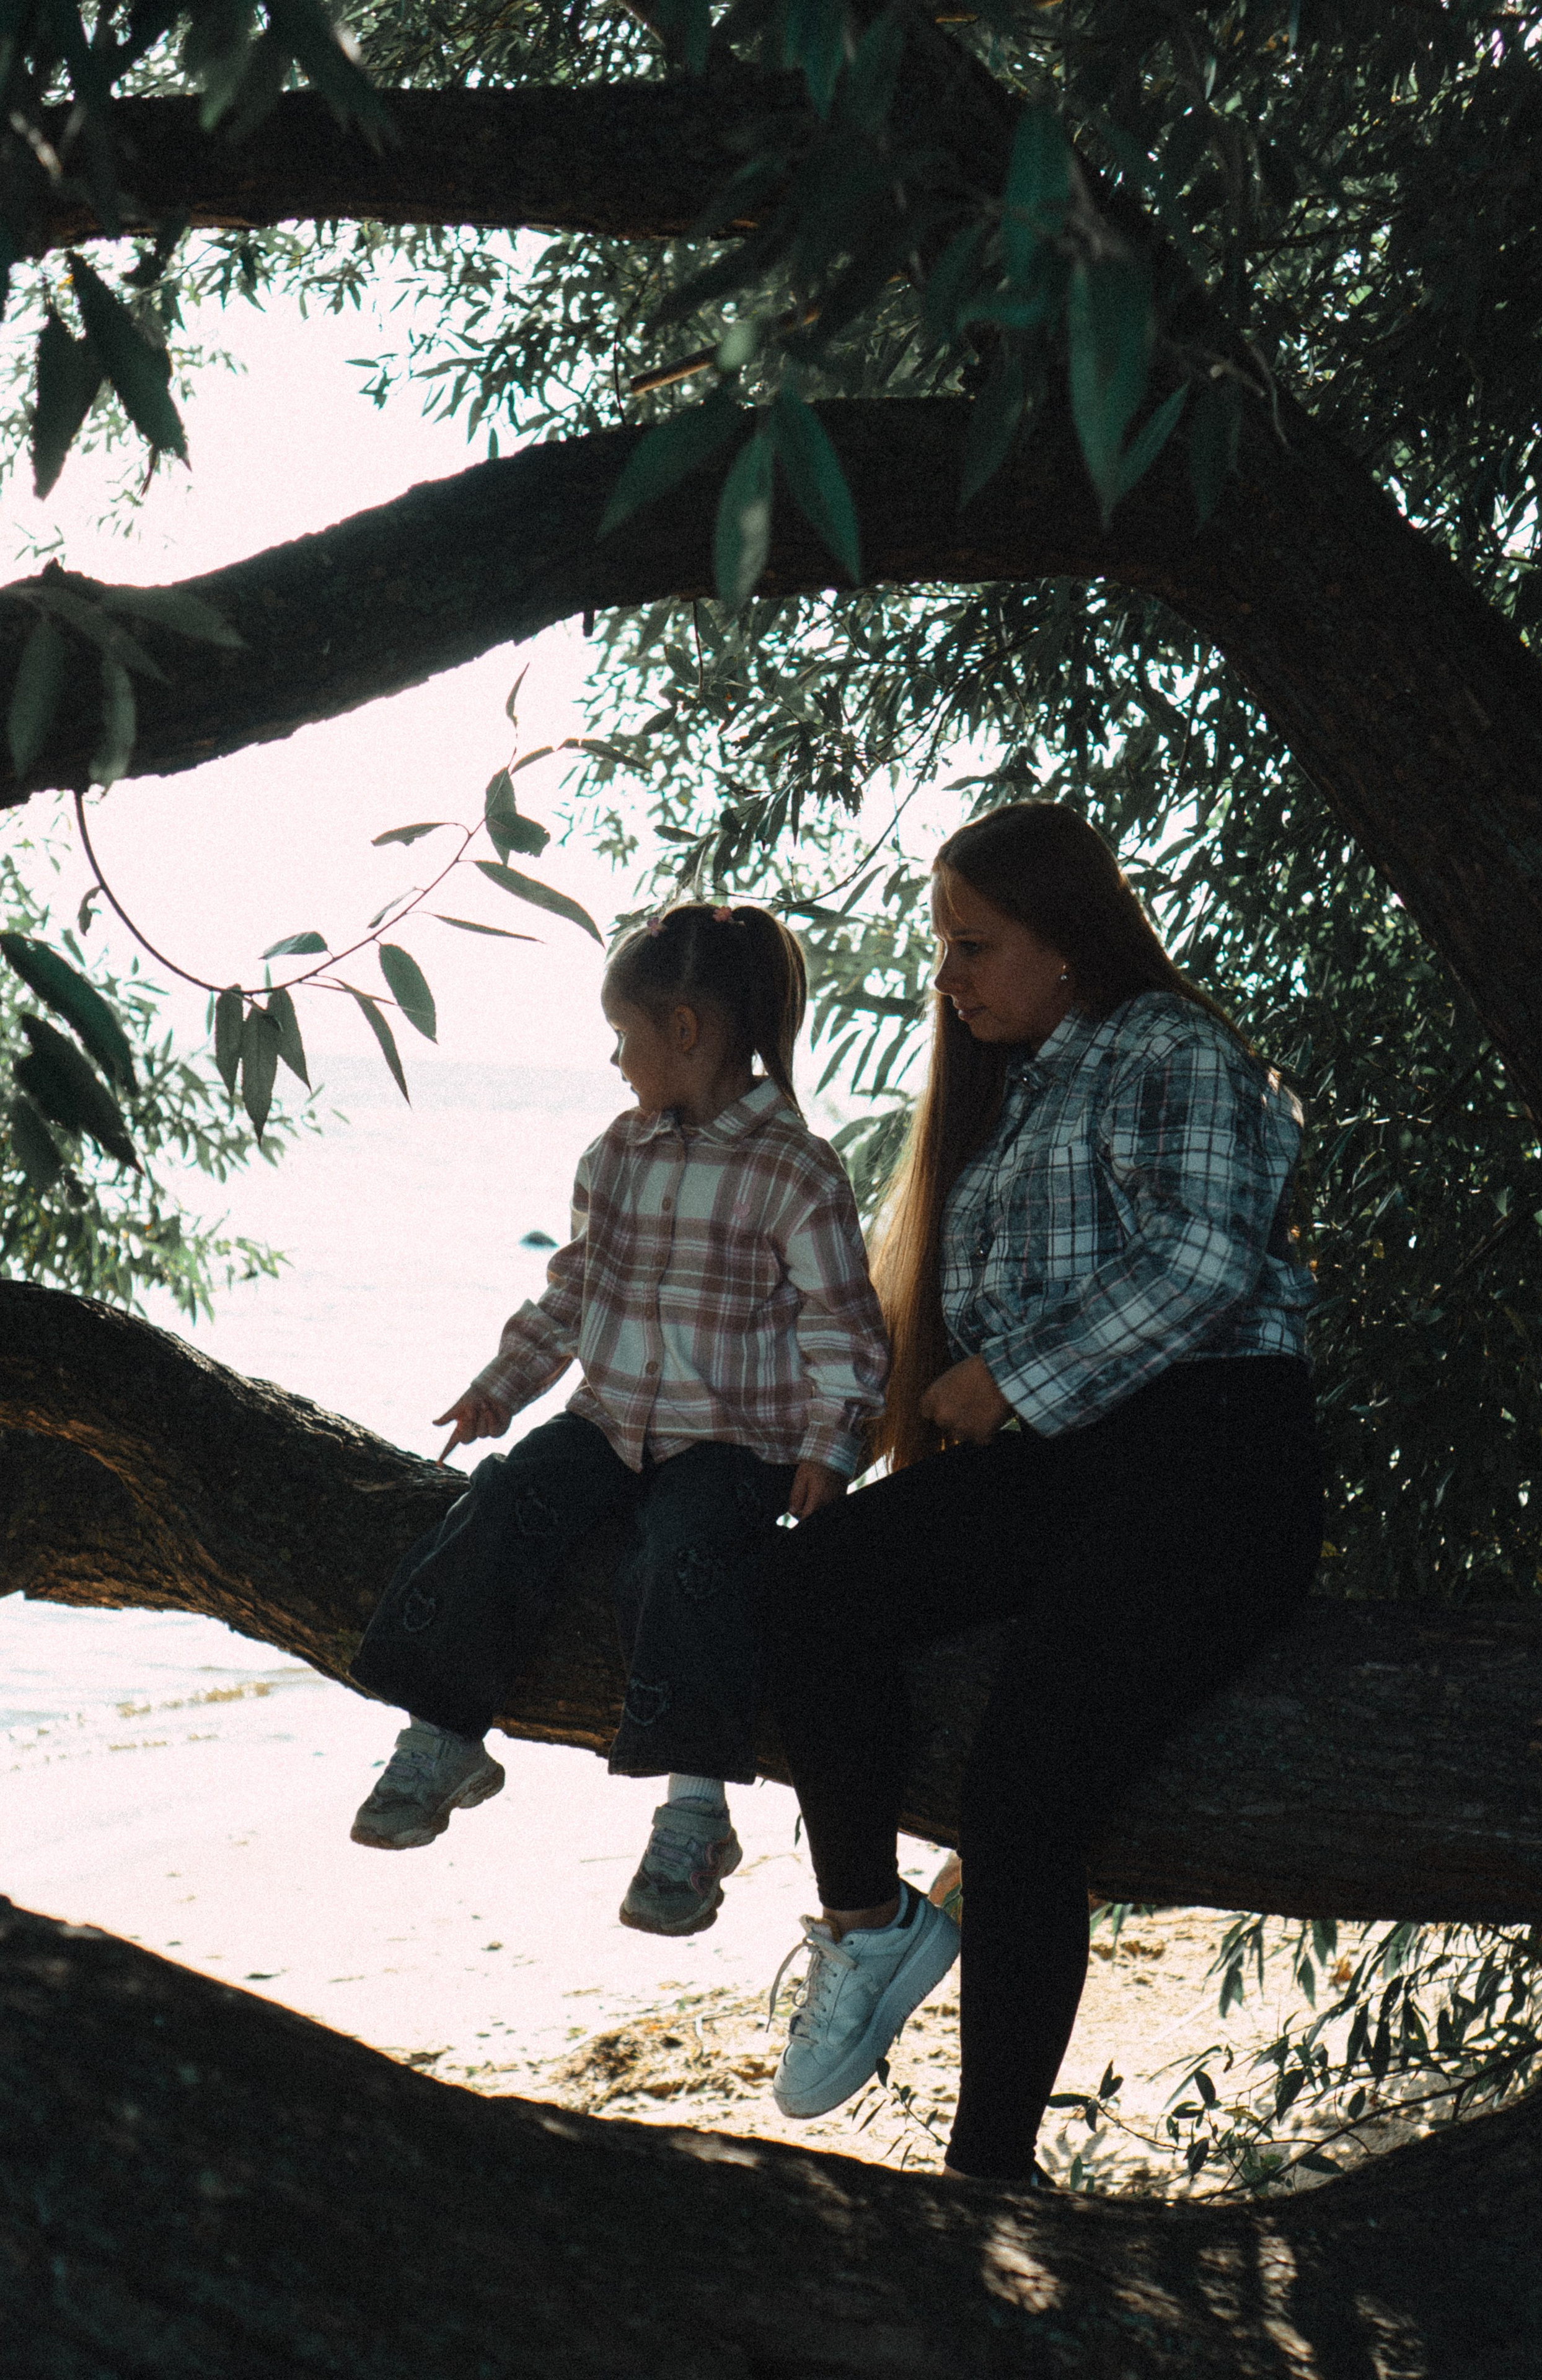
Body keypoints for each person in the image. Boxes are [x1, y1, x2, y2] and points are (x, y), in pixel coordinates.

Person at [761, 801, 1323, 2185]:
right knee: (810, 1583)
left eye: (973, 944)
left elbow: (1201, 1262)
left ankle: (987, 2175)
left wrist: (1007, 1378)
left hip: (1208, 1463)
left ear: (1064, 940)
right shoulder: (1027, 1084)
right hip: (1060, 1460)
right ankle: (866, 1920)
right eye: (940, 945)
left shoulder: (1170, 1049)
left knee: (1023, 1793)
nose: (945, 977)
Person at [347, 902, 889, 1938]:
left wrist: (832, 1450)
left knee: (684, 1558)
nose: (613, 1059)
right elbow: (572, 1289)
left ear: (684, 1029)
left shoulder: (793, 1170)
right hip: (612, 1422)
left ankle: (695, 1811)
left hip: (734, 1442)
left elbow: (844, 1330)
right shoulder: (617, 1154)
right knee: (507, 1496)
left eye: (624, 1033)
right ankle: (446, 1732)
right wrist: (501, 1386)